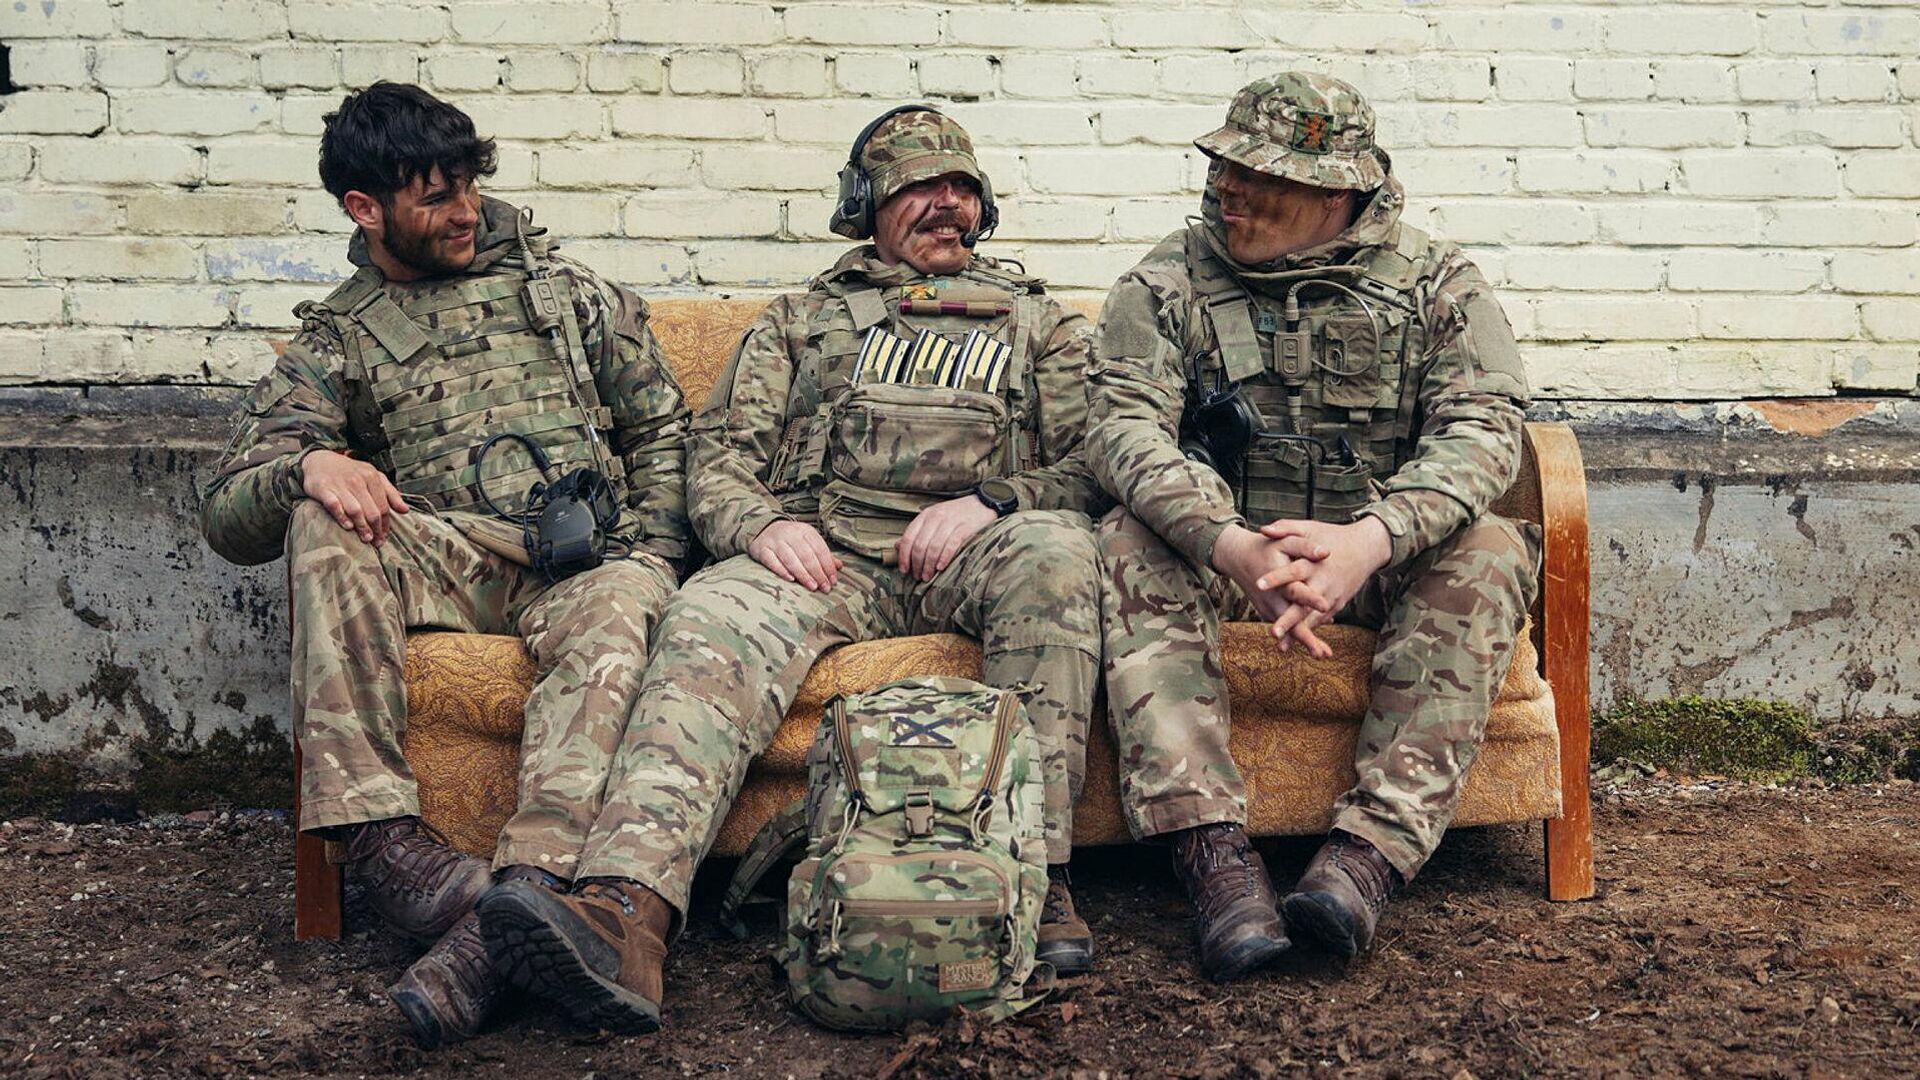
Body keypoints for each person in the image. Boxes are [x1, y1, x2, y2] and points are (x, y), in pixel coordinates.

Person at [476, 105, 1106, 1033]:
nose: (946, 204)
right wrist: (762, 526)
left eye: (961, 187)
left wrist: (995, 502)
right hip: (825, 558)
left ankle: (1035, 880)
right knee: (707, 615)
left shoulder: (1040, 325)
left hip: (981, 553)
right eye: (918, 187)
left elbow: (1096, 461)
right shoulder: (800, 322)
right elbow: (717, 457)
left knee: (1058, 555)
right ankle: (625, 914)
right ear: (867, 204)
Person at [199, 82, 689, 1046]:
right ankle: (385, 847)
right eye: (435, 197)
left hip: (592, 562)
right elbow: (226, 511)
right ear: (364, 208)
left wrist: (659, 554)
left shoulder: (563, 292)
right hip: (455, 556)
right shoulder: (343, 335)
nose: (466, 210)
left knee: (617, 609)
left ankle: (515, 906)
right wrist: (309, 464)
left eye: (469, 185)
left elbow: (664, 429)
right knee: (323, 522)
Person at [1088, 73, 1541, 981]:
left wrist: (1371, 539)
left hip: (1375, 561)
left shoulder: (1437, 282)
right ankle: (1213, 858)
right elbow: (1120, 428)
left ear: (1336, 192)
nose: (1228, 189)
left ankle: (1366, 859)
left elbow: (1487, 430)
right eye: (1226, 166)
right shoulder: (1170, 279)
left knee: (1491, 551)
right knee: (1126, 542)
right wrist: (1232, 544)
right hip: (1228, 558)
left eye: (1260, 176)